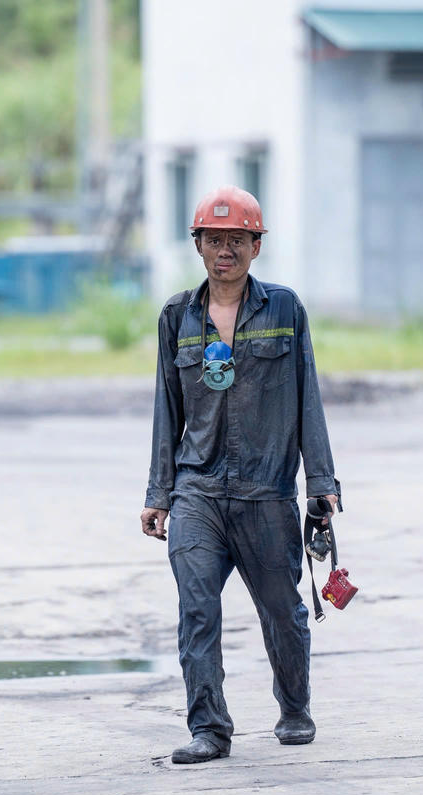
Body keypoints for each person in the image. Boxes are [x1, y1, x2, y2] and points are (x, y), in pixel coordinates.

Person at [141, 186, 340, 764]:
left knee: (283, 610)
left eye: (237, 240)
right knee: (196, 609)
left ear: (256, 246)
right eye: (213, 239)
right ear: (197, 245)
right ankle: (209, 728)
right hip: (197, 489)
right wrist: (159, 492)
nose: (224, 250)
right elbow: (165, 406)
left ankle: (295, 706)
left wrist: (321, 482)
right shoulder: (177, 316)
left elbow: (308, 399)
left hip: (266, 491)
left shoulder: (284, 310)